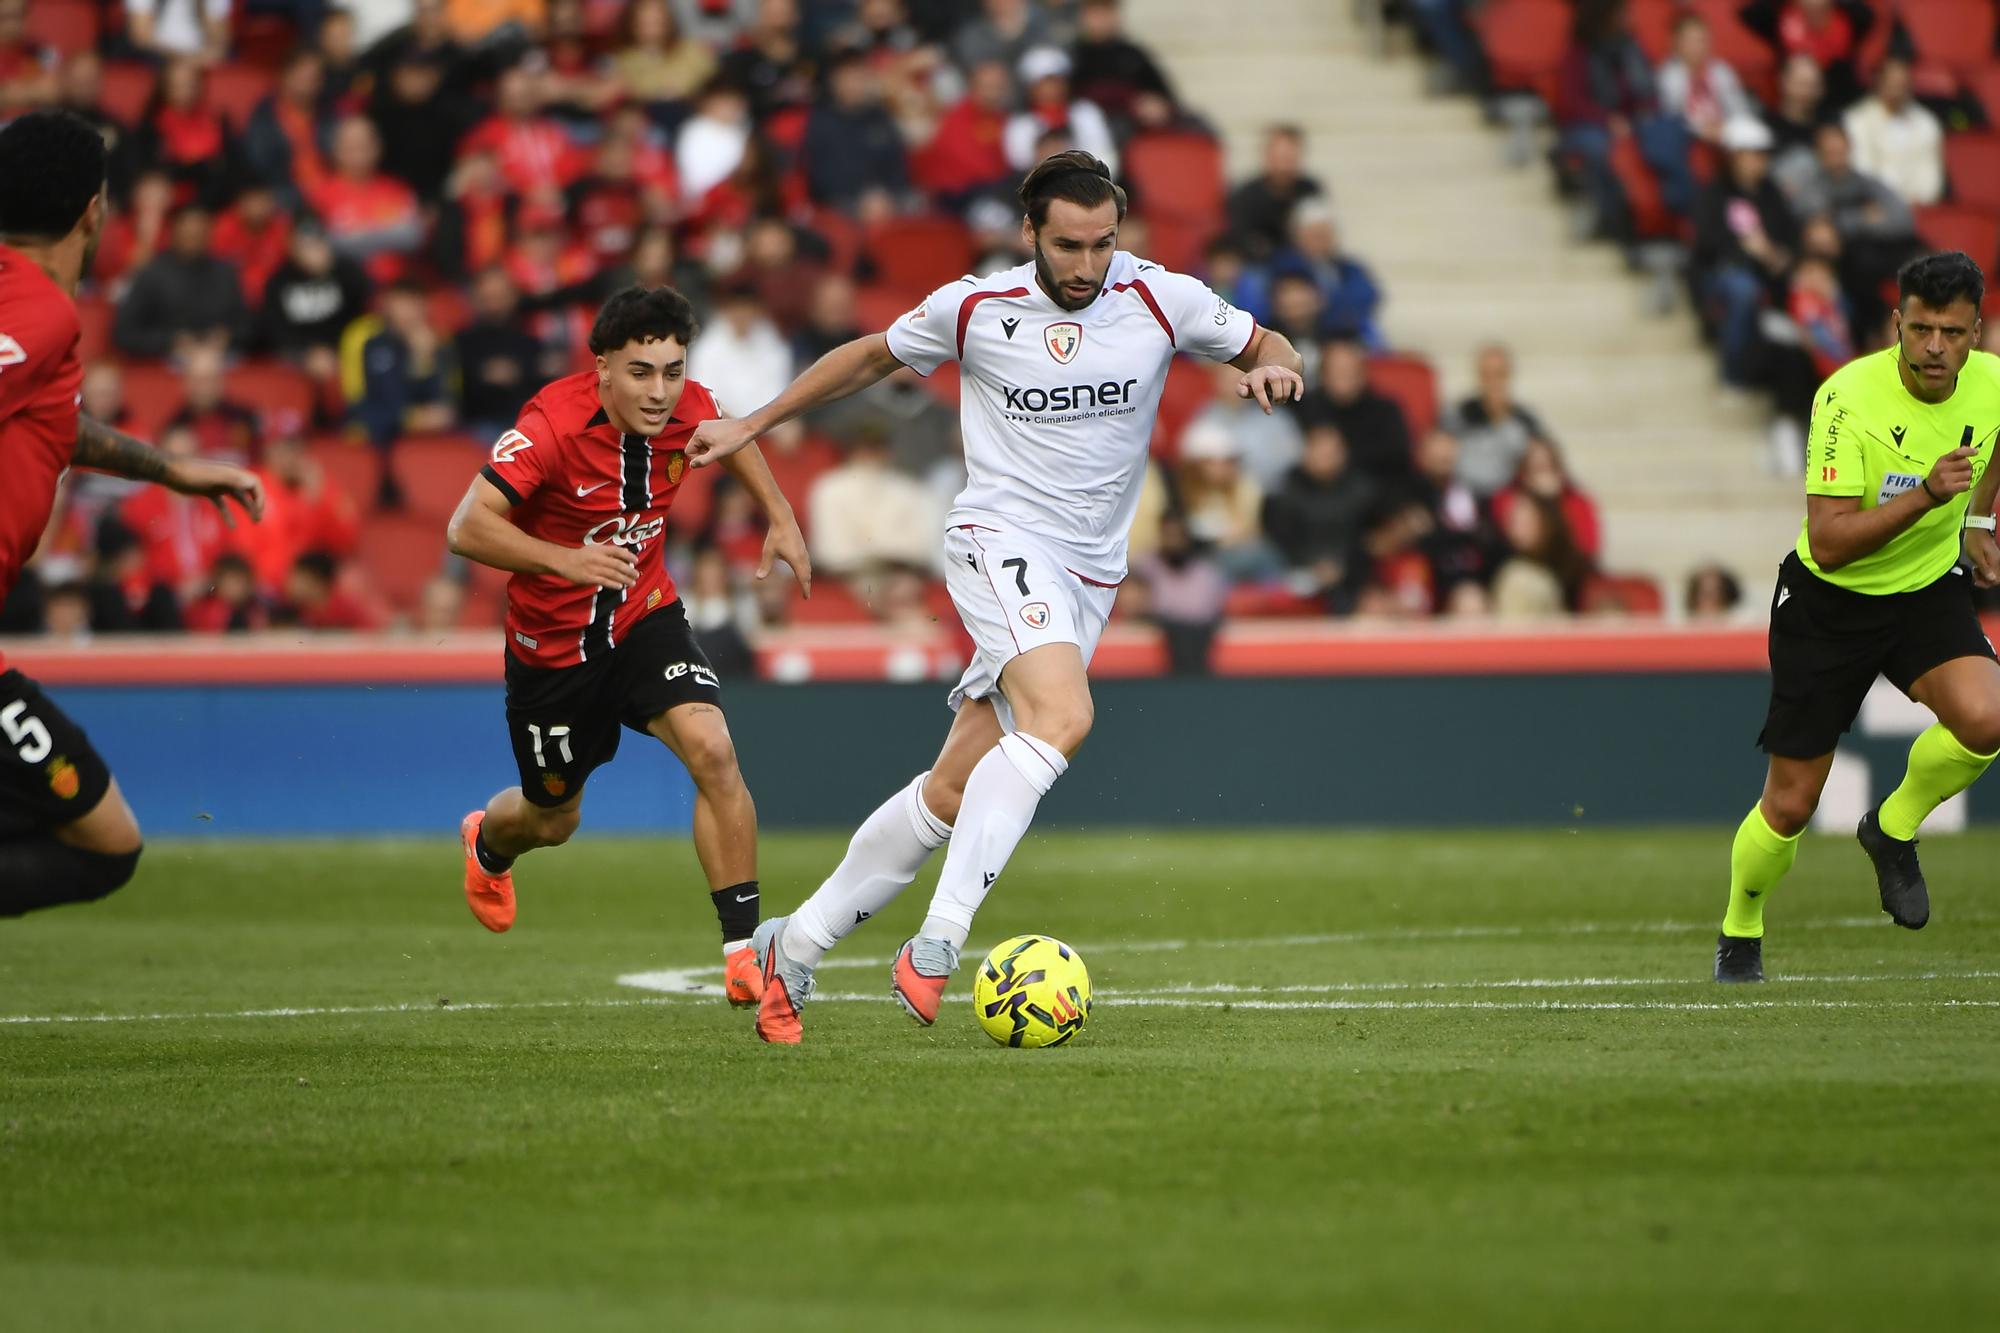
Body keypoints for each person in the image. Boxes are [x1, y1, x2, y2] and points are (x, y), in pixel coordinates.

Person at [685, 151, 1305, 1043]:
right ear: (1030, 236)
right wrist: (752, 422)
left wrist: (1278, 368)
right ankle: (936, 944)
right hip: (998, 542)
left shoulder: (1164, 297)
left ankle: (798, 944)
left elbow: (1264, 343)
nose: (1088, 265)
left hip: (1088, 578)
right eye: (1068, 246)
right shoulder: (975, 307)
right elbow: (867, 357)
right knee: (1062, 716)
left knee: (951, 788)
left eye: (1102, 243)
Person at [444, 285, 812, 1009]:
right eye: (641, 371)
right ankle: (489, 841)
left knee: (713, 749)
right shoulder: (548, 426)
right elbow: (465, 526)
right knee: (553, 819)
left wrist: (780, 515)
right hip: (552, 650)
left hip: (644, 616)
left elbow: (731, 435)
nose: (660, 390)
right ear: (603, 366)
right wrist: (564, 559)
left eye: (672, 370)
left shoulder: (692, 405)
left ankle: (742, 949)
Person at [0, 110, 261, 917]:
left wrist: (167, 468)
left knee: (106, 837)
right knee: (103, 843)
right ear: (94, 209)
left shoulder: (34, 320)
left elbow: (49, 418)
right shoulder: (37, 309)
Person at [1714, 252, 2000, 984]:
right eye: (1923, 328)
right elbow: (1832, 543)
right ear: (1896, 324)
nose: (1937, 346)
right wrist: (1932, 498)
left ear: (1977, 332)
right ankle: (1740, 926)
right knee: (1791, 801)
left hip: (1924, 594)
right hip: (1827, 605)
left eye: (1954, 332)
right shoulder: (1845, 399)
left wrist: (1979, 520)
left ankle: (1892, 827)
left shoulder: (1994, 386)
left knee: (1988, 718)